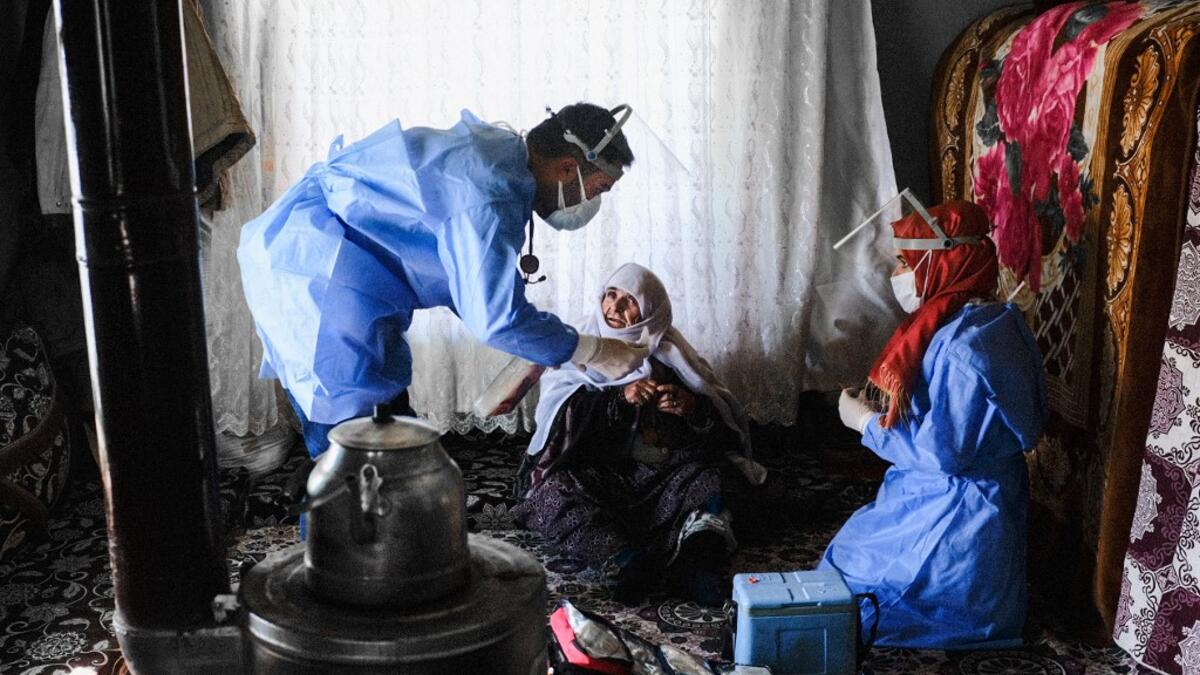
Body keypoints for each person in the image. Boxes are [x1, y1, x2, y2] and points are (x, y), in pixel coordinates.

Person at [238, 103, 649, 457]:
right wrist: (595, 351)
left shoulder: (503, 159)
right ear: (567, 168)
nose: (591, 203)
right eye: (598, 189)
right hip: (318, 277)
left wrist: (538, 342)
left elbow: (473, 281)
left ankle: (390, 542)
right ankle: (337, 544)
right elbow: (496, 318)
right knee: (354, 461)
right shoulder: (490, 192)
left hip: (346, 277)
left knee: (395, 442)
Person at [820, 200, 1047, 649]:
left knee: (866, 598)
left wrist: (865, 423)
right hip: (964, 491)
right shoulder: (993, 321)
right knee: (848, 553)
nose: (898, 274)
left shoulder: (963, 349)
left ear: (942, 261)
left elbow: (941, 454)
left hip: (962, 516)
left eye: (906, 263)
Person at [512, 263, 767, 606]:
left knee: (715, 479)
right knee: (552, 495)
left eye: (629, 301)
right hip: (600, 478)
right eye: (611, 295)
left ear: (650, 311)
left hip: (664, 479)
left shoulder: (672, 354)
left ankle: (697, 561)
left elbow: (720, 432)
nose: (614, 308)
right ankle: (626, 562)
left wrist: (691, 408)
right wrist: (619, 399)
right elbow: (559, 423)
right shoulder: (580, 349)